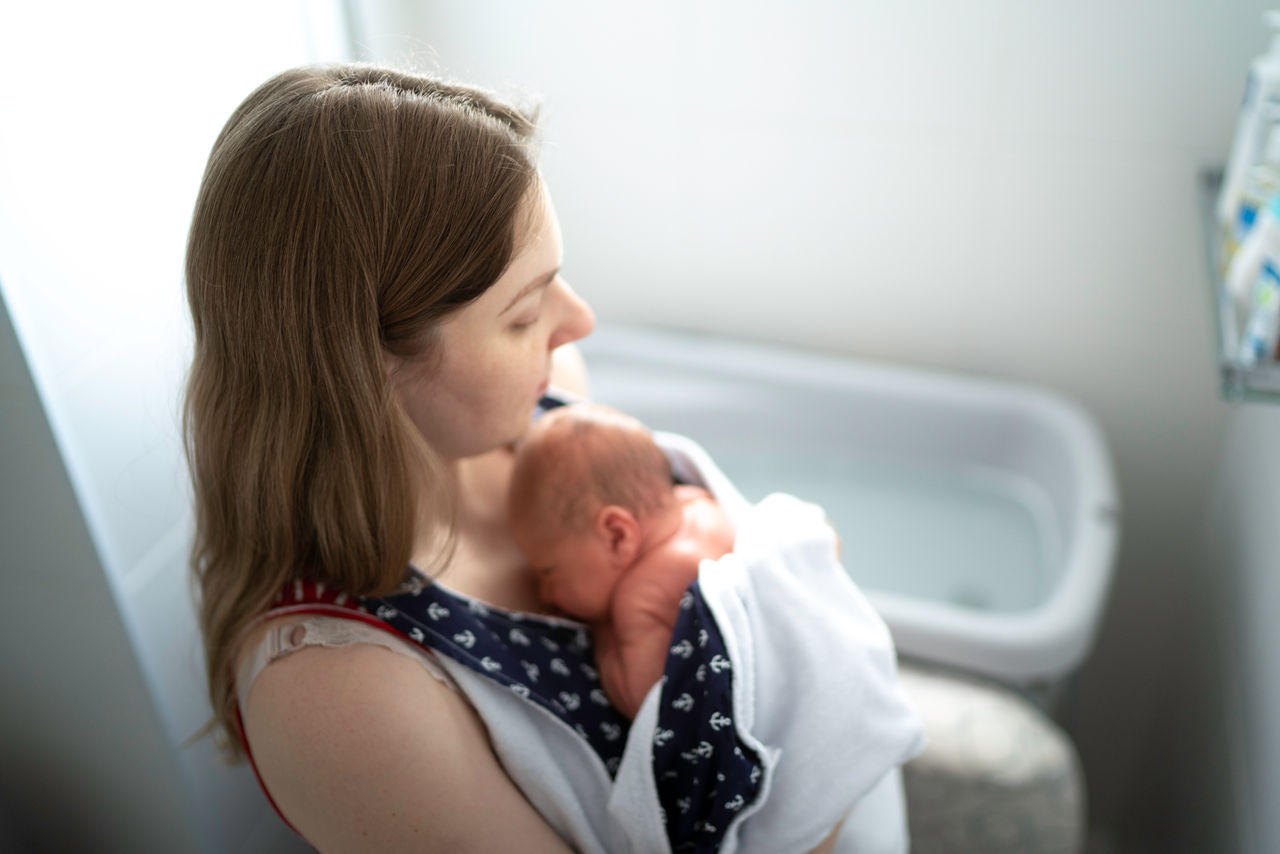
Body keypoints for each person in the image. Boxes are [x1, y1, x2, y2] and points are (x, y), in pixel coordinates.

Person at [185, 62, 920, 854]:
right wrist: (818, 779)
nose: (579, 322)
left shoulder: (548, 406)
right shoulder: (338, 695)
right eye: (524, 312)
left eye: (557, 280)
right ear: (368, 369)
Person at [508, 402, 738, 719]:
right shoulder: (698, 502)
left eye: (549, 571)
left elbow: (643, 704)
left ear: (617, 536)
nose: (545, 593)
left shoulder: (640, 597)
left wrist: (603, 631)